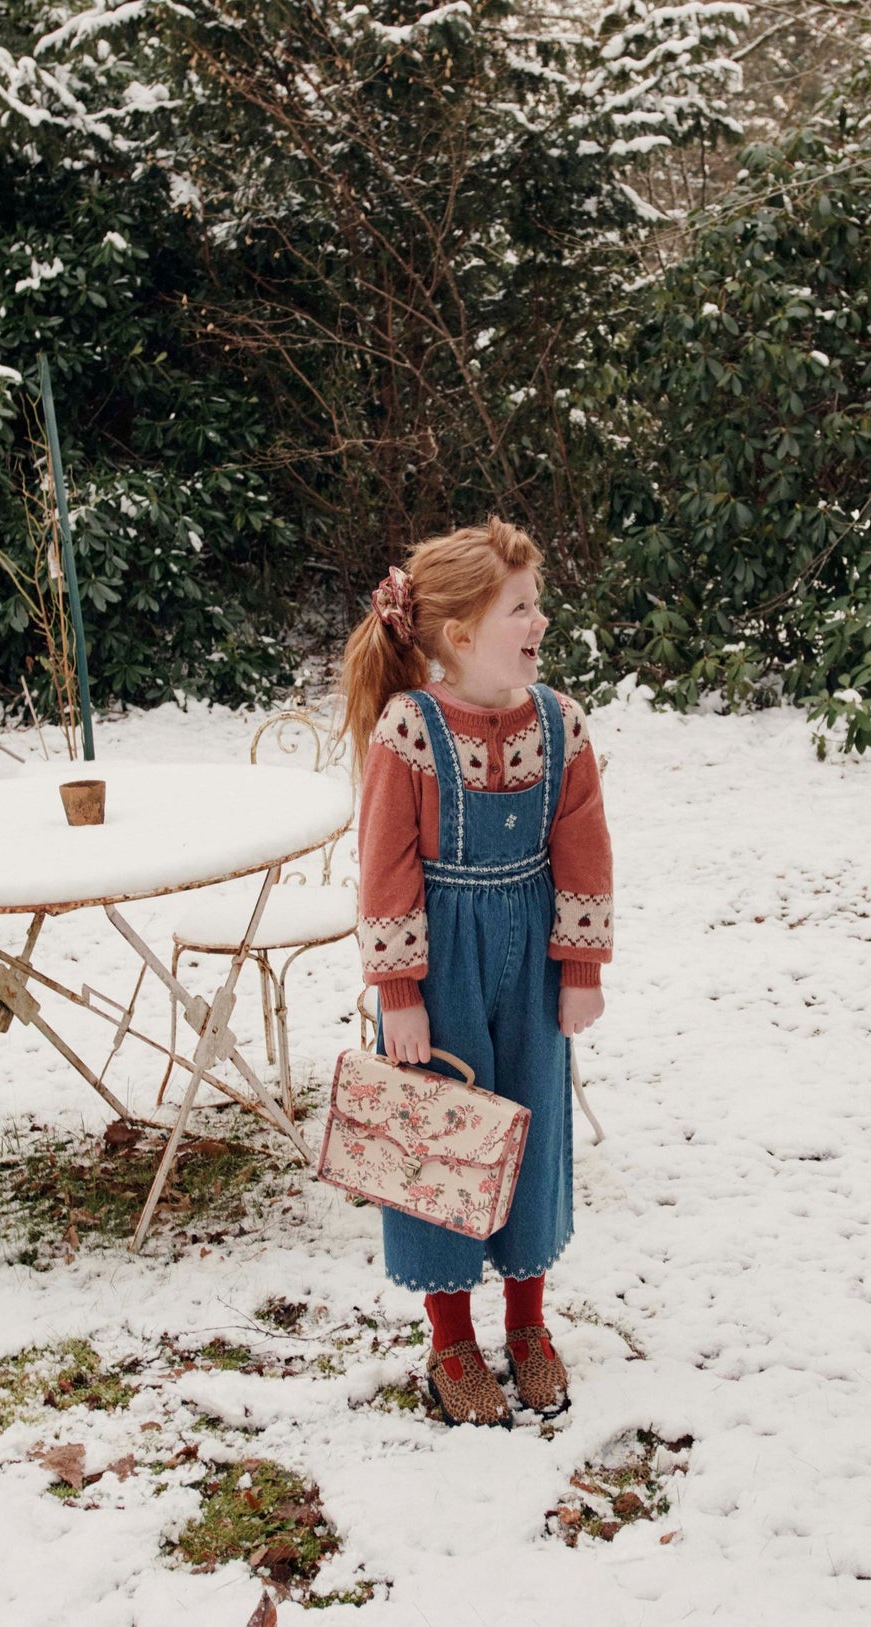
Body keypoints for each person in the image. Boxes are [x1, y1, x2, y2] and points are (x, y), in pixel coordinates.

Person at [340, 517, 613, 1427]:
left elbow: (582, 846)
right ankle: (451, 1340)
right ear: (459, 635)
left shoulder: (559, 723)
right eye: (520, 608)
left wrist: (580, 965)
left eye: (538, 604)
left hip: (531, 955)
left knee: (530, 1135)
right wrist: (399, 994)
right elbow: (385, 867)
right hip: (439, 959)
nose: (540, 621)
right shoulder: (408, 730)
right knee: (441, 1141)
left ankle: (527, 1326)